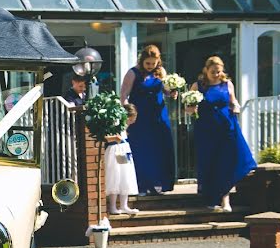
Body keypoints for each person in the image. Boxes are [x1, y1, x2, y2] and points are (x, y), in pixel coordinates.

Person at [189, 55, 257, 212]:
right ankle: (211, 198)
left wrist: (236, 107)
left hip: (226, 126)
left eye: (219, 71)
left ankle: (225, 200)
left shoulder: (227, 84)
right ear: (206, 70)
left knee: (227, 161)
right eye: (213, 71)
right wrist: (191, 109)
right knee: (210, 162)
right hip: (206, 129)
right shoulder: (198, 85)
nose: (216, 74)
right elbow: (188, 107)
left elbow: (234, 101)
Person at [120, 45, 176, 195]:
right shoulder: (133, 73)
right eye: (148, 63)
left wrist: (172, 92)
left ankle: (159, 184)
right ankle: (142, 184)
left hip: (158, 115)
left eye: (154, 63)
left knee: (160, 148)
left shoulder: (161, 72)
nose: (151, 67)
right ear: (142, 60)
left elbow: (166, 90)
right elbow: (124, 95)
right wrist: (128, 111)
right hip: (140, 116)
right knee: (142, 148)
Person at [105, 104, 140, 214]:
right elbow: (105, 137)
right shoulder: (115, 122)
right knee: (116, 175)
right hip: (116, 149)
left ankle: (124, 205)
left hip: (124, 149)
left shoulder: (124, 125)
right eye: (130, 119)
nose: (131, 122)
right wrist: (115, 138)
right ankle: (113, 206)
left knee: (125, 175)